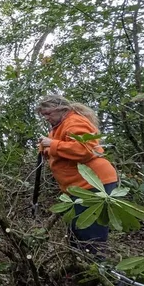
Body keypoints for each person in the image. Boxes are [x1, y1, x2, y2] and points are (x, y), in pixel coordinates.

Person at [37, 95, 118, 258]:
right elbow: (59, 147)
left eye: (48, 113)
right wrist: (46, 148)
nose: (46, 118)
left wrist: (52, 145)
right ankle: (82, 272)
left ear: (61, 109)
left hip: (94, 184)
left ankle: (103, 276)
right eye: (43, 115)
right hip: (77, 188)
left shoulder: (74, 121)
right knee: (76, 234)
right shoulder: (58, 126)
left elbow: (85, 150)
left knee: (90, 237)